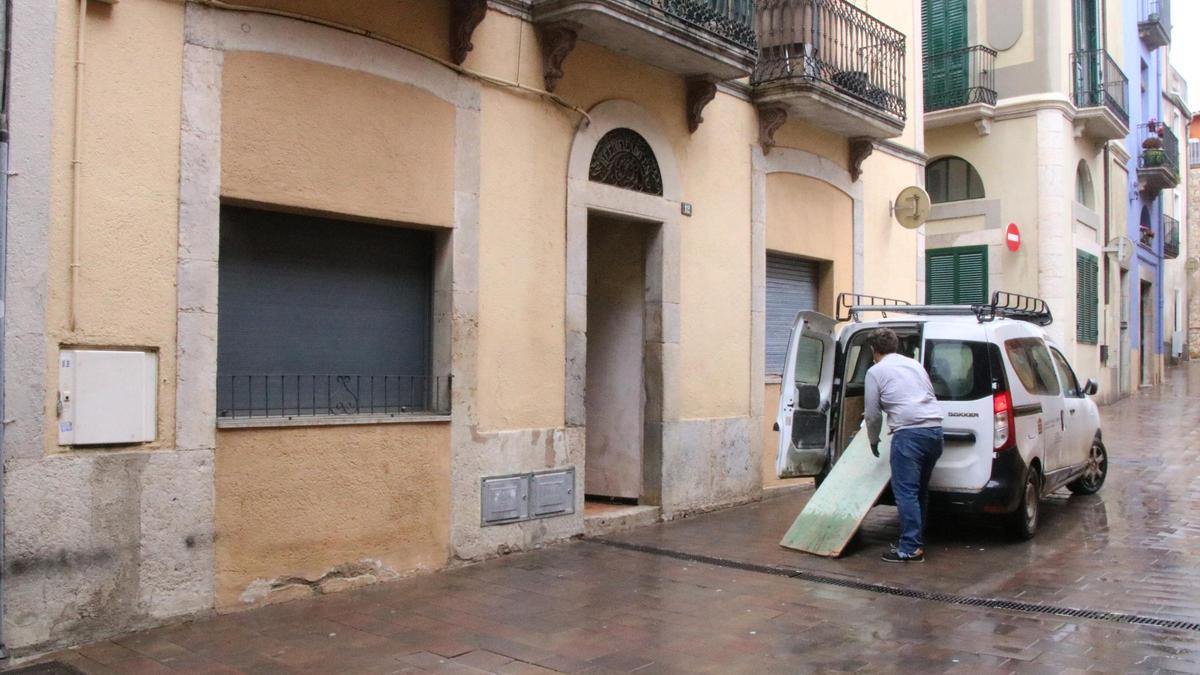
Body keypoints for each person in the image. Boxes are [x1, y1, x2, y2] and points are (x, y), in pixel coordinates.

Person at [863, 328, 945, 563]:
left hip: (909, 435)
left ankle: (910, 547)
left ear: (873, 350)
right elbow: (926, 393)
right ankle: (915, 539)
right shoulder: (914, 365)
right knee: (920, 490)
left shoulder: (875, 371)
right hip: (935, 431)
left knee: (906, 492)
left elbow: (872, 414)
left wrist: (872, 439)